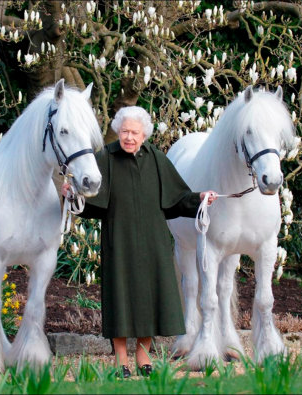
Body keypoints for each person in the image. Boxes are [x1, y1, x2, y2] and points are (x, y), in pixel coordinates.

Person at [63, 106, 216, 378]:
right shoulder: (105, 158)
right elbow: (88, 201)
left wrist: (201, 197)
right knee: (120, 298)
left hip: (153, 242)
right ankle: (121, 358)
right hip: (118, 240)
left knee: (150, 298)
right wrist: (71, 194)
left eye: (134, 132)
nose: (129, 137)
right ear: (118, 132)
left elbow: (178, 198)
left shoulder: (157, 159)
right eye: (124, 132)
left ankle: (143, 354)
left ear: (144, 134)